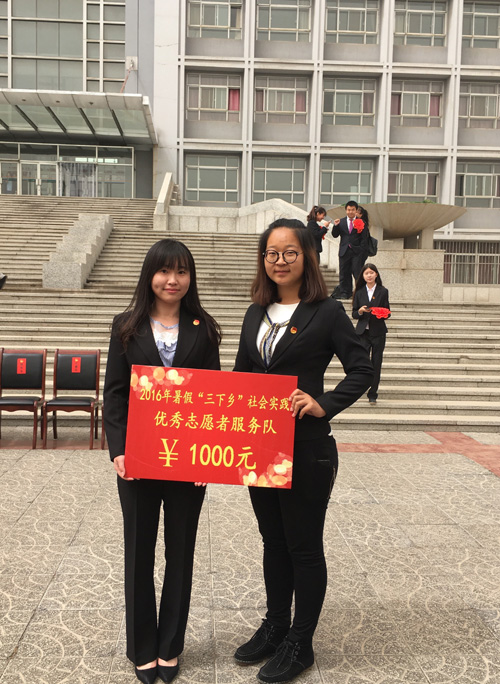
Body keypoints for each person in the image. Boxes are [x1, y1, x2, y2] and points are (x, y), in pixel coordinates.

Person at [232, 219, 373, 684]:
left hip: (307, 449)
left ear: (306, 256)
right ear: (263, 260)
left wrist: (323, 403)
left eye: (289, 252)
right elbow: (240, 381)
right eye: (271, 253)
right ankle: (275, 625)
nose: (280, 261)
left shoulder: (326, 312)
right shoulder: (255, 312)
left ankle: (300, 641)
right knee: (273, 542)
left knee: (304, 547)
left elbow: (362, 368)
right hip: (261, 448)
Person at [103, 239, 221, 684]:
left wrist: (208, 461)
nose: (173, 280)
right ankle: (142, 648)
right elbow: (114, 395)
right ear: (149, 275)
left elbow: (213, 398)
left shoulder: (204, 329)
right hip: (138, 460)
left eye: (182, 271)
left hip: (189, 463)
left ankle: (170, 645)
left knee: (181, 552)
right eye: (164, 271)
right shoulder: (126, 326)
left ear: (191, 277)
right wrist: (119, 450)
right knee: (139, 552)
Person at [352, 263, 391, 405]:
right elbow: (354, 314)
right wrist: (360, 311)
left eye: (371, 273)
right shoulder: (359, 292)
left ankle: (373, 393)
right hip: (363, 333)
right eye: (366, 273)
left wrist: (381, 313)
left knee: (376, 362)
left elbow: (388, 312)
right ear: (363, 276)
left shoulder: (383, 291)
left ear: (376, 274)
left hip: (378, 332)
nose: (369, 275)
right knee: (363, 363)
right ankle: (359, 389)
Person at [330, 200, 369, 299]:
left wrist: (361, 250)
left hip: (356, 252)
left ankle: (360, 293)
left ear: (356, 210)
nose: (350, 212)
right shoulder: (341, 222)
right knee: (344, 273)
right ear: (346, 210)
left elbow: (364, 238)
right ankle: (345, 293)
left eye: (352, 210)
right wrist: (336, 226)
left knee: (357, 273)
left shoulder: (362, 222)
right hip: (344, 251)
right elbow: (335, 235)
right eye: (348, 210)